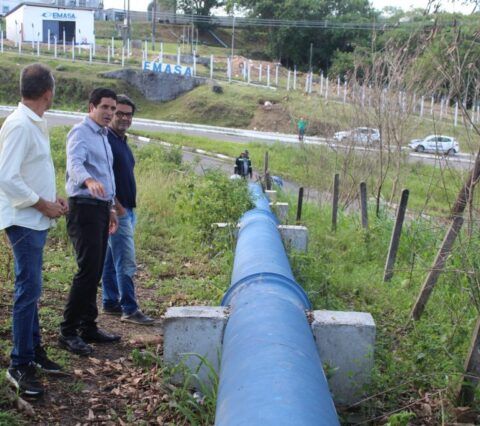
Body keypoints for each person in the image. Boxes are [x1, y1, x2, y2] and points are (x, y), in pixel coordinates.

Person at [0, 63, 68, 397]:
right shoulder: (19, 125)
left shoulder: (33, 122)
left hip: (34, 217)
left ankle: (34, 352)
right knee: (27, 291)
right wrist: (42, 203)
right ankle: (19, 363)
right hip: (23, 220)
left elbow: (27, 172)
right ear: (48, 92)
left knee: (33, 289)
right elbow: (6, 176)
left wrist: (51, 199)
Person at [60, 88, 120, 356]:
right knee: (87, 270)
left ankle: (88, 326)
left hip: (99, 208)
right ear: (91, 107)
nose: (109, 113)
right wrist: (87, 180)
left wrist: (111, 209)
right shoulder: (80, 132)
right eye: (105, 107)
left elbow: (106, 177)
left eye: (112, 109)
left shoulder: (104, 137)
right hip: (83, 208)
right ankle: (68, 331)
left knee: (95, 270)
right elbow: (74, 163)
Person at [101, 95, 154, 325]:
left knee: (111, 258)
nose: (124, 118)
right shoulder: (108, 141)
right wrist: (118, 207)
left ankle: (110, 301)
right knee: (126, 261)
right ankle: (130, 309)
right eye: (119, 113)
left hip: (126, 209)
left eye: (128, 114)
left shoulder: (121, 140)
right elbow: (103, 177)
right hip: (117, 210)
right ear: (111, 113)